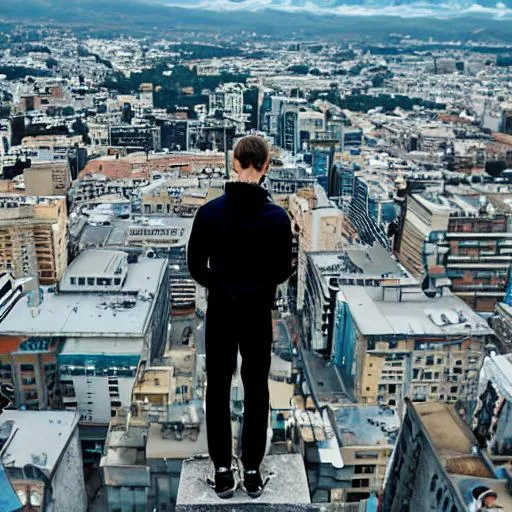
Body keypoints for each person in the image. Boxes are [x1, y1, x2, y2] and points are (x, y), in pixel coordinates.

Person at [187, 135, 293, 499]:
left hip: (221, 310)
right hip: (256, 312)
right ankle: (250, 470)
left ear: (234, 163)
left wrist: (226, 284)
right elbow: (283, 270)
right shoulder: (278, 218)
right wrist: (254, 284)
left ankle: (221, 472)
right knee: (256, 389)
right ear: (265, 167)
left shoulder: (210, 213)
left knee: (216, 388)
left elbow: (196, 267)